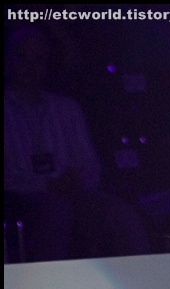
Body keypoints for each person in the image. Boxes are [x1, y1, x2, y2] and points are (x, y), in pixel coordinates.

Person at [4, 25, 151, 262]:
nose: (30, 67)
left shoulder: (66, 109)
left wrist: (75, 181)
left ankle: (142, 279)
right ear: (9, 60)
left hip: (75, 195)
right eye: (22, 57)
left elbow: (89, 165)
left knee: (120, 213)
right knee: (55, 213)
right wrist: (46, 185)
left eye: (38, 59)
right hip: (23, 200)